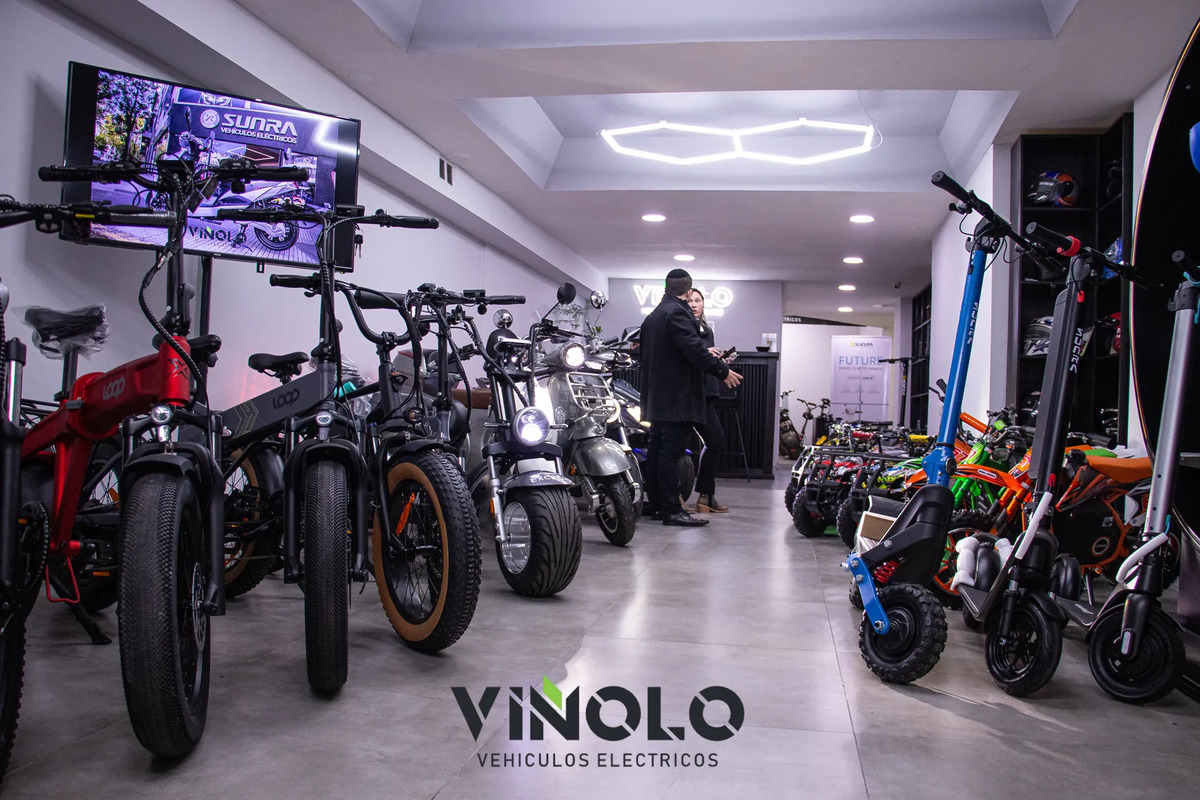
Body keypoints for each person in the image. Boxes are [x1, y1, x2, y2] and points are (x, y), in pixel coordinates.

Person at [640, 269, 741, 526]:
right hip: (677, 398)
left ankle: (659, 506)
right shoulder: (676, 313)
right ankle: (673, 510)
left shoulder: (652, 317)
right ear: (687, 291)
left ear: (665, 287)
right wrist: (723, 371)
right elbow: (694, 350)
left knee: (658, 452)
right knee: (670, 454)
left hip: (658, 397)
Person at [687, 288, 732, 513]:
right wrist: (705, 353)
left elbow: (705, 361)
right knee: (676, 448)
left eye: (698, 300)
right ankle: (675, 498)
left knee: (715, 441)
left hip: (705, 394)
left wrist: (720, 361)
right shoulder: (683, 327)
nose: (694, 304)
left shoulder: (707, 329)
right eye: (690, 300)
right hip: (687, 395)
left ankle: (706, 496)